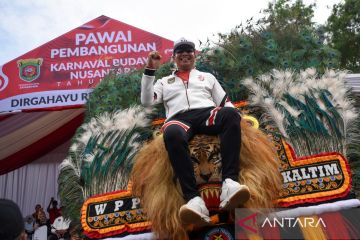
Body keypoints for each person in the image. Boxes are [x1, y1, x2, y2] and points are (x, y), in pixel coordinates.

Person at [141, 37, 250, 225]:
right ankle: (193, 199)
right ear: (174, 57)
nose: (185, 54)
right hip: (179, 118)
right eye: (180, 51)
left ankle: (230, 184)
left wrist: (240, 119)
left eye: (189, 51)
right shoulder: (164, 82)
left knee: (230, 115)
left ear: (195, 56)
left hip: (206, 113)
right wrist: (150, 70)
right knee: (172, 133)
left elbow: (224, 102)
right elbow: (147, 101)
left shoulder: (207, 77)